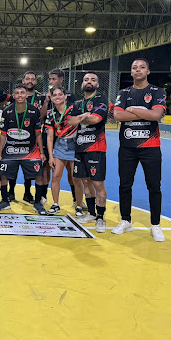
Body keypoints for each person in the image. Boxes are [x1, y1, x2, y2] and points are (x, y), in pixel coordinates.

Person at [112, 58, 167, 242]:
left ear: (148, 71)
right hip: (127, 148)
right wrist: (144, 113)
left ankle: (155, 225)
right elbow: (118, 115)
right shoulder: (124, 92)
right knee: (125, 185)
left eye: (142, 67)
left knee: (154, 186)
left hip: (150, 147)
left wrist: (133, 109)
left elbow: (156, 115)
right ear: (131, 72)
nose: (138, 70)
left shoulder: (157, 91)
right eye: (134, 67)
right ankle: (125, 220)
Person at [0, 84, 47, 214]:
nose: (20, 95)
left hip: (30, 150)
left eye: (22, 92)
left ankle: (37, 203)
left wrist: (41, 152)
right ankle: (5, 201)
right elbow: (3, 135)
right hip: (11, 149)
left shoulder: (34, 111)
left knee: (39, 175)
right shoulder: (7, 111)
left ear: (26, 95)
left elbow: (38, 134)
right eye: (17, 93)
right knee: (3, 175)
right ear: (14, 95)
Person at [67, 73, 108, 233]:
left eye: (93, 80)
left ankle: (100, 217)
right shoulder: (78, 103)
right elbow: (70, 121)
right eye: (86, 80)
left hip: (96, 148)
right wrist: (85, 116)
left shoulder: (101, 100)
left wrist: (81, 118)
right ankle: (91, 213)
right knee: (85, 182)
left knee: (98, 183)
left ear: (97, 84)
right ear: (82, 84)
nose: (89, 82)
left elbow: (96, 119)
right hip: (80, 148)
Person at [43, 68, 79, 209]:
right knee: (54, 173)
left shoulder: (73, 102)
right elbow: (43, 119)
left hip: (73, 141)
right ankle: (53, 202)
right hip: (57, 141)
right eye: (50, 79)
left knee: (74, 175)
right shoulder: (48, 102)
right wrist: (46, 100)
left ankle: (78, 202)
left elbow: (81, 118)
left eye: (54, 79)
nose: (51, 81)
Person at [20, 70, 48, 204]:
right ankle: (22, 192)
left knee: (36, 165)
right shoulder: (19, 96)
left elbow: (42, 116)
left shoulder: (40, 98)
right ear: (23, 81)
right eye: (27, 79)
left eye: (32, 79)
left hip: (35, 136)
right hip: (19, 136)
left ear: (36, 81)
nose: (30, 81)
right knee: (20, 164)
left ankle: (38, 194)